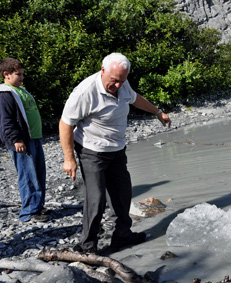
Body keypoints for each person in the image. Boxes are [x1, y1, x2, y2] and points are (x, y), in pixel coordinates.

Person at [59, 52, 171, 254]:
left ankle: (122, 236)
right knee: (97, 198)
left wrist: (157, 112)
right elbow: (66, 123)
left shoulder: (121, 83)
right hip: (91, 151)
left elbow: (135, 98)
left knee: (122, 193)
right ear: (102, 71)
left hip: (117, 150)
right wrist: (69, 158)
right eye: (114, 81)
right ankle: (87, 246)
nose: (118, 85)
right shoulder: (85, 92)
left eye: (122, 81)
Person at [0, 57, 49, 223]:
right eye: (18, 74)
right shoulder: (5, 93)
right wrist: (16, 140)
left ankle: (38, 205)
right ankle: (29, 211)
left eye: (22, 74)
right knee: (28, 176)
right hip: (22, 142)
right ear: (6, 74)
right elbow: (6, 120)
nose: (21, 77)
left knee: (39, 173)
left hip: (34, 139)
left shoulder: (21, 90)